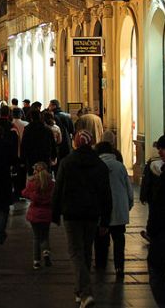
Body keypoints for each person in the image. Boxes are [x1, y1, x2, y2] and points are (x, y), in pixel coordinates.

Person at [52, 130, 111, 308]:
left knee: (75, 252)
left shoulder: (67, 162)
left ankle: (85, 293)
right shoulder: (99, 165)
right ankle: (79, 291)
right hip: (92, 214)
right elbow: (106, 195)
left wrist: (55, 213)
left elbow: (58, 189)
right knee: (85, 251)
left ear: (76, 143)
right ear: (91, 143)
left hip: (72, 213)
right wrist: (106, 220)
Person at [94, 140, 133, 279]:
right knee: (119, 240)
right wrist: (128, 205)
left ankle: (100, 264)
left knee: (101, 240)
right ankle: (119, 267)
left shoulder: (95, 166)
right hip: (119, 210)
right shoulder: (120, 166)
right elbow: (129, 189)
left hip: (101, 210)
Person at [146, 132, 165, 308]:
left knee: (156, 269)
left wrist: (152, 229)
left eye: (162, 148)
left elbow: (159, 205)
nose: (160, 152)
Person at [22, 161, 54, 269]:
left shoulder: (32, 182)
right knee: (45, 235)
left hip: (34, 214)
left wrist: (32, 195)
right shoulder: (51, 183)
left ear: (36, 171)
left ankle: (36, 261)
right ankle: (46, 252)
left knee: (36, 237)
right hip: (47, 213)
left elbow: (24, 193)